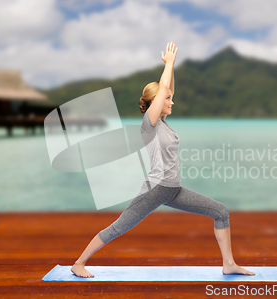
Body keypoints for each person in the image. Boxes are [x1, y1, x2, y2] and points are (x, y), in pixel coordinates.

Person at [71, 42, 255, 278]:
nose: (172, 101)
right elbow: (165, 88)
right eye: (166, 99)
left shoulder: (164, 126)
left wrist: (172, 67)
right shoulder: (150, 124)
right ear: (156, 102)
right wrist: (168, 65)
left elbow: (169, 89)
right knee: (119, 227)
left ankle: (229, 264)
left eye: (170, 98)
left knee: (220, 212)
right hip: (156, 189)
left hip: (173, 189)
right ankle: (79, 263)